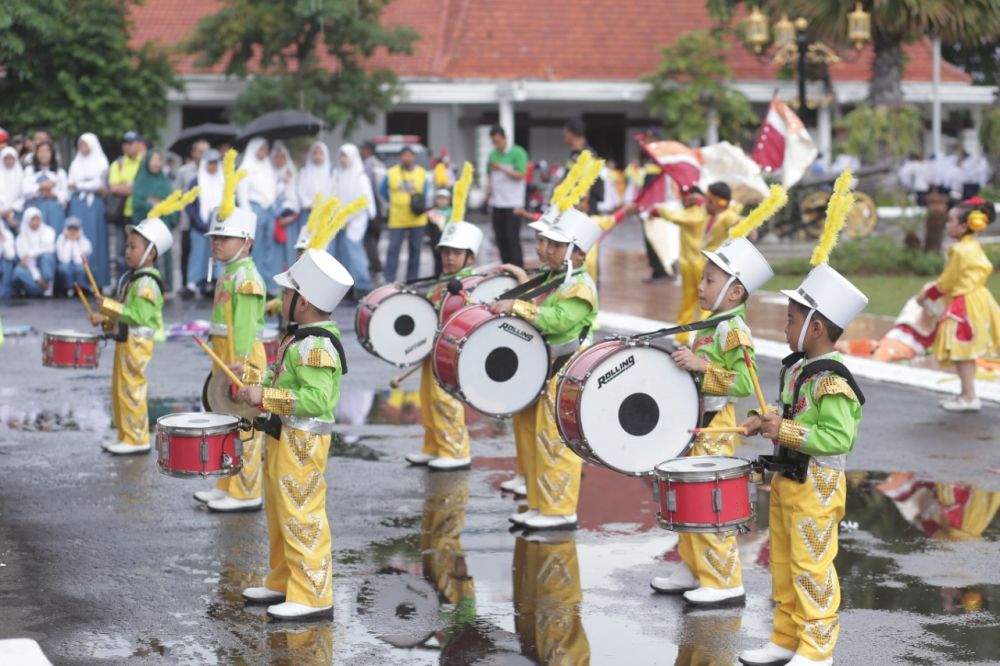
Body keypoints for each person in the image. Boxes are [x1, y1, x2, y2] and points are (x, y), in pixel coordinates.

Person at [739, 174, 868, 666]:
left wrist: (784, 430)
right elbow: (793, 416)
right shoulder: (799, 369)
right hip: (790, 480)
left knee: (813, 565)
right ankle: (785, 638)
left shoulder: (833, 377)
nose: (785, 326)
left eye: (792, 319)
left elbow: (838, 435)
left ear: (815, 326)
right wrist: (765, 419)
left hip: (817, 483)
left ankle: (817, 650)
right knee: (786, 565)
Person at [649, 237, 774, 606]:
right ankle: (693, 566)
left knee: (709, 503)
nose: (700, 287)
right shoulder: (712, 323)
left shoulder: (733, 329)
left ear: (735, 291)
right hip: (698, 422)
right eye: (702, 280)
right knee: (686, 497)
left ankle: (723, 579)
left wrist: (702, 367)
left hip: (718, 424)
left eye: (709, 281)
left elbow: (745, 383)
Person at [235, 248, 353, 621]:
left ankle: (314, 594)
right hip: (283, 435)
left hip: (303, 443)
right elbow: (277, 378)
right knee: (279, 509)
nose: (281, 299)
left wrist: (267, 396)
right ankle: (284, 579)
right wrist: (253, 383)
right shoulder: (299, 337)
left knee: (302, 511)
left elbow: (316, 400)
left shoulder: (317, 345)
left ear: (302, 302)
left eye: (287, 294)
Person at [490, 209, 601, 531]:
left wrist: (517, 306)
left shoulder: (580, 288)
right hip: (548, 368)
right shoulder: (556, 278)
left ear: (578, 253)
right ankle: (541, 504)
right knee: (538, 438)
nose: (547, 250)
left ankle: (560, 509)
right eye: (547, 243)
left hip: (568, 371)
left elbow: (557, 321)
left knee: (556, 441)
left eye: (556, 245)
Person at [193, 150, 268, 513]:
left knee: (245, 423)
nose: (216, 243)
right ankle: (226, 484)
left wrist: (238, 364)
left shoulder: (248, 279)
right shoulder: (230, 273)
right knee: (223, 417)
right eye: (214, 237)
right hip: (223, 352)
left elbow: (244, 328)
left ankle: (246, 490)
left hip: (241, 357)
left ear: (247, 241)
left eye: (224, 238)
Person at [89, 214, 175, 454]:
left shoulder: (147, 284)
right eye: (128, 245)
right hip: (126, 341)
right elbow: (125, 313)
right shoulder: (136, 280)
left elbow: (136, 315)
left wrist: (108, 305)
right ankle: (125, 434)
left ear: (151, 253)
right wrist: (104, 318)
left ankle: (137, 438)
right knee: (120, 389)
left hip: (137, 344)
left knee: (131, 389)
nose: (127, 251)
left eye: (133, 246)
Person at [404, 221, 483, 472]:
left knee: (444, 398)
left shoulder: (470, 284)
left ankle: (456, 450)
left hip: (451, 352)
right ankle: (433, 446)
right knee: (427, 397)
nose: (449, 258)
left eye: (456, 253)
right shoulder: (443, 281)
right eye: (446, 253)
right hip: (432, 350)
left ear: (470, 257)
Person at [919, 198, 1000, 412]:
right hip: (979, 298)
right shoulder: (972, 245)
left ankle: (969, 397)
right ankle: (967, 394)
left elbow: (948, 281)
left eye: (951, 220)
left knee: (962, 350)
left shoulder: (959, 251)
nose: (947, 224)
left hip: (964, 303)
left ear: (964, 226)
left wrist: (927, 294)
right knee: (967, 350)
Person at [653, 186, 709, 338]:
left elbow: (675, 216)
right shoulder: (704, 212)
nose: (682, 201)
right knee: (699, 302)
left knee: (694, 302)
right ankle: (695, 337)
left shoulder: (696, 213)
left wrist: (659, 211)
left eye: (684, 197)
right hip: (696, 265)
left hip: (696, 265)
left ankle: (689, 337)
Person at [380, 146, 431, 282]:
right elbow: (382, 190)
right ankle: (389, 279)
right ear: (400, 157)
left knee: (415, 250)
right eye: (404, 155)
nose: (407, 158)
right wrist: (394, 201)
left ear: (414, 157)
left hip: (417, 218)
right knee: (393, 250)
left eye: (410, 155)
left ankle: (412, 281)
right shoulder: (391, 173)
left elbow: (425, 191)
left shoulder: (421, 173)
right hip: (397, 218)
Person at [238, 137, 281, 295]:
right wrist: (249, 216)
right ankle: (255, 281)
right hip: (254, 210)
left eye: (266, 149)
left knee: (269, 248)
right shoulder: (246, 168)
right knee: (257, 248)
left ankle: (268, 283)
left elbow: (271, 189)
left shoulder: (267, 166)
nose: (265, 152)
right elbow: (242, 195)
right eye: (261, 149)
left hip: (269, 210)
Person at [331, 143, 375, 297]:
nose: (342, 160)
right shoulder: (339, 174)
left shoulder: (360, 176)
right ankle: (349, 287)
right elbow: (335, 197)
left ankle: (363, 285)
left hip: (356, 220)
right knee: (344, 254)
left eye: (345, 156)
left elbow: (364, 202)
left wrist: (349, 218)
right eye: (341, 156)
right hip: (341, 221)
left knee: (355, 252)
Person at [67, 134, 110, 289]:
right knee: (77, 238)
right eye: (81, 145)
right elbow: (70, 183)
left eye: (86, 145)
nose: (83, 148)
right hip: (78, 204)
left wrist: (80, 185)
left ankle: (99, 279)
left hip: (95, 205)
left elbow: (99, 183)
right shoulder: (75, 163)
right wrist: (84, 185)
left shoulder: (101, 161)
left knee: (96, 239)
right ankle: (80, 281)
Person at [132, 150, 178, 294]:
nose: (156, 163)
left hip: (163, 223)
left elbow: (172, 200)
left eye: (158, 160)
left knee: (166, 255)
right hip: (148, 223)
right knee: (149, 254)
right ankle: (150, 286)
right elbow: (137, 202)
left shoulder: (164, 181)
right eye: (153, 159)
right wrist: (151, 205)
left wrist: (167, 209)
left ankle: (167, 286)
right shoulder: (141, 180)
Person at [486, 125, 529, 267]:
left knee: (512, 238)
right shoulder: (492, 154)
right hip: (497, 202)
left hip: (513, 203)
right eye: (494, 142)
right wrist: (487, 192)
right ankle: (506, 268)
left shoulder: (518, 152)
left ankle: (518, 268)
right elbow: (489, 175)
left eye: (498, 141)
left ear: (505, 139)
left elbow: (521, 174)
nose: (496, 145)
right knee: (500, 238)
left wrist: (502, 169)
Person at [184, 149, 223, 297]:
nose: (213, 167)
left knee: (217, 255)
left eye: (215, 163)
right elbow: (189, 204)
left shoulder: (223, 181)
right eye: (210, 163)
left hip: (219, 226)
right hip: (199, 226)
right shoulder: (195, 181)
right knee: (198, 255)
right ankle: (193, 284)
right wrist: (200, 222)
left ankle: (214, 282)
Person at [175, 140, 209, 298]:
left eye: (205, 151)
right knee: (186, 251)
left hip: (204, 220)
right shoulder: (184, 171)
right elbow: (178, 193)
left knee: (204, 252)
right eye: (200, 151)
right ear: (194, 153)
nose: (202, 155)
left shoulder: (212, 170)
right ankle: (185, 284)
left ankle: (203, 283)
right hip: (188, 218)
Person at [297, 141, 334, 256]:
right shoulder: (305, 172)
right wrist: (309, 204)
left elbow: (334, 192)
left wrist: (325, 206)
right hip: (309, 213)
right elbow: (300, 190)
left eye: (320, 153)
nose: (317, 156)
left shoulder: (332, 173)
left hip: (325, 214)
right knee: (306, 244)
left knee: (325, 245)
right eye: (315, 153)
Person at [22, 141, 68, 234]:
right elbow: (25, 190)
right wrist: (41, 187)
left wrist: (53, 194)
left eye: (47, 151)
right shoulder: (29, 171)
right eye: (41, 151)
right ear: (36, 153)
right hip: (35, 209)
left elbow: (66, 195)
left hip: (54, 212)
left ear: (52, 154)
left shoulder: (60, 172)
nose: (44, 154)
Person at [12, 207, 55, 297]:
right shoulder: (20, 238)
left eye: (37, 219)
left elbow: (48, 248)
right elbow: (26, 261)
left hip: (43, 267)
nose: (36, 222)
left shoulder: (49, 231)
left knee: (47, 257)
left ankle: (48, 285)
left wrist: (30, 254)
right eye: (33, 220)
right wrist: (37, 277)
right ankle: (38, 289)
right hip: (31, 270)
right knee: (18, 271)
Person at [360, 141, 387, 282]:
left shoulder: (368, 164)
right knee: (375, 239)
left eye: (362, 149)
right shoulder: (380, 164)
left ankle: (376, 268)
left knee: (369, 239)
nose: (360, 152)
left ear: (367, 150)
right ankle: (374, 268)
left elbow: (376, 189)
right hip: (380, 208)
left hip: (373, 206)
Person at [272, 141, 300, 270]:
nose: (279, 160)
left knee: (290, 246)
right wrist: (283, 182)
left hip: (290, 217)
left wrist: (292, 216)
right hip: (275, 217)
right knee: (276, 248)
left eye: (282, 157)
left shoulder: (292, 173)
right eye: (277, 157)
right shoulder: (270, 174)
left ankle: (290, 276)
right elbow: (271, 194)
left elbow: (296, 196)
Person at [55, 217, 93, 296]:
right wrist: (69, 241)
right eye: (70, 229)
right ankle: (66, 288)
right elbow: (63, 259)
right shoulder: (60, 239)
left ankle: (82, 289)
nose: (72, 232)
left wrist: (75, 242)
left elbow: (79, 260)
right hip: (66, 264)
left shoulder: (85, 241)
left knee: (80, 269)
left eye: (75, 229)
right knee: (63, 269)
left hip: (79, 264)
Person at [703, 182, 743, 252]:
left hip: (715, 259)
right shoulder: (710, 216)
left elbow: (745, 232)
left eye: (708, 200)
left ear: (715, 201)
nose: (705, 203)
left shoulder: (729, 216)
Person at [426, 188, 452, 276]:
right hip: (436, 241)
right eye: (439, 198)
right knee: (437, 261)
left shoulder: (453, 212)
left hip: (449, 240)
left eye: (444, 198)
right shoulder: (431, 212)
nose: (442, 201)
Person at [0, 146, 25, 232]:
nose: (9, 161)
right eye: (6, 158)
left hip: (18, 212)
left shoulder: (21, 175)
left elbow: (23, 196)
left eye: (11, 158)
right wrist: (5, 214)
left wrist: (11, 210)